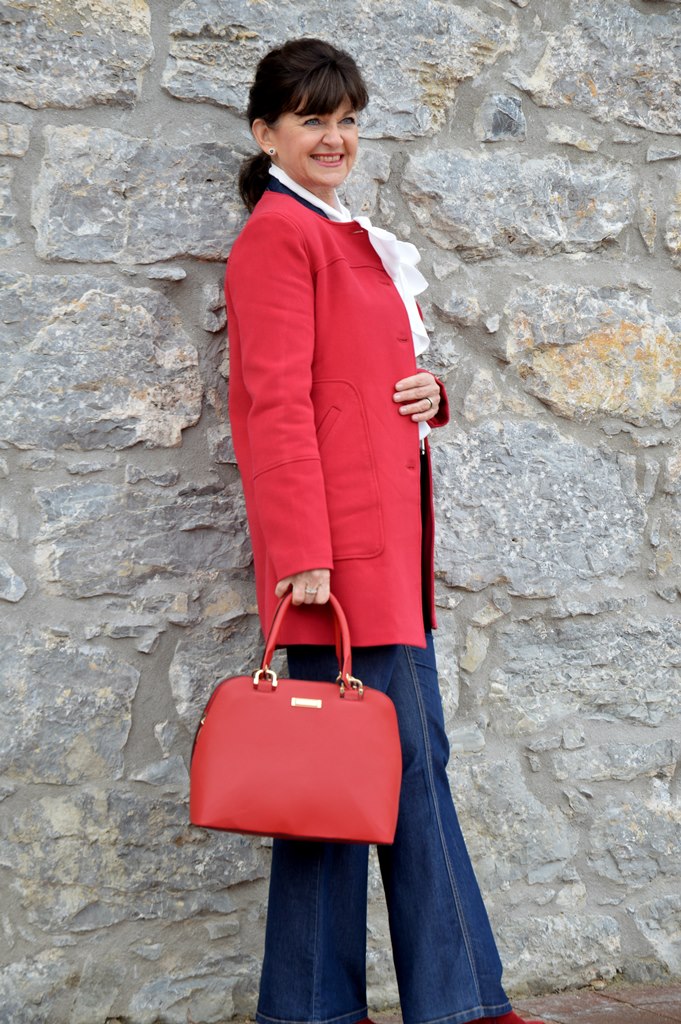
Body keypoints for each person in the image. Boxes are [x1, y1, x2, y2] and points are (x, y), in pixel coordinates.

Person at [225, 37, 543, 1024]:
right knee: (404, 770)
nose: (335, 137)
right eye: (313, 119)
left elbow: (354, 384)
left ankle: (311, 1008)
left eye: (348, 119)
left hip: (379, 552)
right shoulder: (281, 237)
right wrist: (302, 554)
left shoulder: (339, 230)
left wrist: (427, 392)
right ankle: (463, 1004)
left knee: (333, 783)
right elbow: (274, 405)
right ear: (266, 132)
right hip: (340, 561)